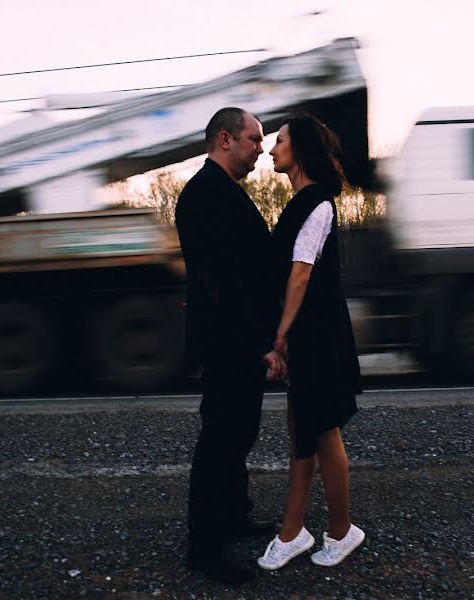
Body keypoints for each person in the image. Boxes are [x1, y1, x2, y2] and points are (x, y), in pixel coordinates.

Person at [174, 107, 284, 584]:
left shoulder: (221, 192)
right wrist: (259, 341)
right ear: (225, 139)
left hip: (235, 337)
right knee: (220, 441)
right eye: (254, 139)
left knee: (238, 435)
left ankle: (234, 518)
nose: (261, 147)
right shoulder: (206, 196)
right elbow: (223, 283)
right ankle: (206, 548)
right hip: (228, 341)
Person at [257, 114, 364, 571]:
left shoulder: (318, 203)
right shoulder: (300, 203)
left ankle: (340, 532)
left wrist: (278, 335)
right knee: (303, 428)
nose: (270, 149)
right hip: (308, 332)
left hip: (317, 334)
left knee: (322, 430)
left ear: (298, 148)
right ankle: (294, 529)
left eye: (278, 141)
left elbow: (300, 275)